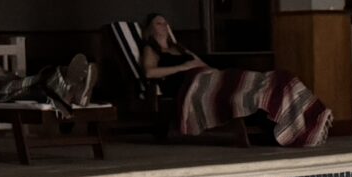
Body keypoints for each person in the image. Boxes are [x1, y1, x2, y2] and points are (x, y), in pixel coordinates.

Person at [138, 13, 333, 148]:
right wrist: (183, 68)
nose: (163, 26)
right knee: (248, 88)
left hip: (209, 76)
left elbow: (202, 64)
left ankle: (303, 115)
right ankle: (287, 123)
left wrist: (211, 72)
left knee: (272, 79)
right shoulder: (152, 50)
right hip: (189, 84)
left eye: (165, 23)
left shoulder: (179, 48)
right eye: (158, 23)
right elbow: (149, 73)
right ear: (150, 29)